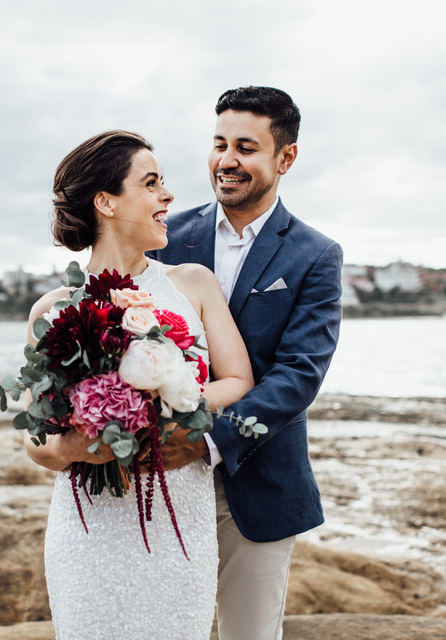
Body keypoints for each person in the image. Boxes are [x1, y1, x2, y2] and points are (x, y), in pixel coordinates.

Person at [24, 130, 255, 639]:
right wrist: (79, 445)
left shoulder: (192, 284)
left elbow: (238, 381)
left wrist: (166, 408)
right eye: (151, 184)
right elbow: (35, 443)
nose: (168, 196)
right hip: (88, 531)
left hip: (180, 525)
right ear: (105, 201)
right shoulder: (54, 310)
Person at [151, 86, 343, 640]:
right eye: (219, 144)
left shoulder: (314, 255)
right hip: (162, 473)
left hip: (259, 479)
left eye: (246, 147)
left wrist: (208, 440)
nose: (226, 160)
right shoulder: (164, 237)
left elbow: (299, 374)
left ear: (286, 158)